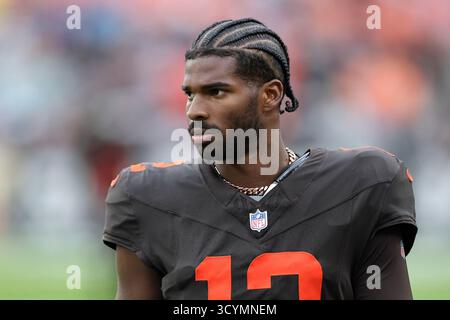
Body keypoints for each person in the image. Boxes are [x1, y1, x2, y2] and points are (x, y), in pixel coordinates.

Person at [102, 18, 417, 299]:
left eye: (216, 92)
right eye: (190, 94)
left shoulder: (364, 183)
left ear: (271, 95)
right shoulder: (146, 199)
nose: (194, 110)